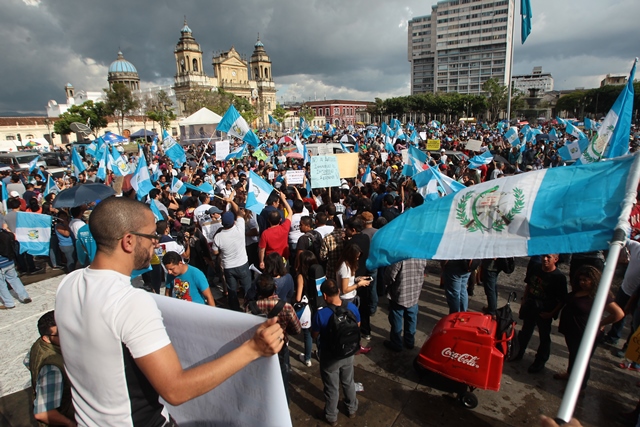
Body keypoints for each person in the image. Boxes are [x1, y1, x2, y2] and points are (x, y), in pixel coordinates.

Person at [55, 197, 283, 426]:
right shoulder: (130, 302)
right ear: (128, 241)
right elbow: (176, 390)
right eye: (152, 236)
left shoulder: (68, 283)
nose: (156, 244)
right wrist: (253, 348)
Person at [555, 265, 624, 389]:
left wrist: (601, 323)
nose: (582, 282)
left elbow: (619, 314)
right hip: (572, 330)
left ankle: (580, 387)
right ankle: (570, 374)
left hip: (586, 334)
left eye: (586, 280)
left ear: (594, 280)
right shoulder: (577, 290)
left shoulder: (600, 296)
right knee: (574, 354)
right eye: (581, 279)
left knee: (582, 361)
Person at [244, 275, 300, 403]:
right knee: (283, 379)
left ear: (257, 291)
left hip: (260, 349)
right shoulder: (286, 307)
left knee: (263, 380)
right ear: (275, 288)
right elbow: (297, 329)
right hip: (280, 346)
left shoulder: (250, 308)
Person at [312, 279, 360, 426]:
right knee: (348, 381)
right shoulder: (352, 308)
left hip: (330, 357)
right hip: (349, 353)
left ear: (325, 296)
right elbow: (358, 326)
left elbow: (315, 335)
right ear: (339, 292)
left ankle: (331, 416)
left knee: (332, 388)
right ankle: (351, 409)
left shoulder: (321, 315)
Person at [514, 254, 567, 374]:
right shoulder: (536, 267)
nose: (545, 259)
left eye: (548, 257)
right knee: (525, 331)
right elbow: (529, 284)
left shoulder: (559, 277)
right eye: (543, 256)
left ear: (556, 259)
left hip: (544, 311)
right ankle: (518, 352)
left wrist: (551, 313)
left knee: (544, 336)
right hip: (531, 306)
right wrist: (524, 300)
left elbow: (562, 300)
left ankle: (540, 361)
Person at [25, 311, 75, 426]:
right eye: (60, 334)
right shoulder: (53, 370)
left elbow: (27, 361)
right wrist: (71, 424)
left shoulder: (39, 345)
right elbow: (42, 413)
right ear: (46, 338)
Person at [212, 198, 252, 311]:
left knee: (232, 290)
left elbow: (214, 252)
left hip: (228, 267)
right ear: (233, 221)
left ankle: (235, 309)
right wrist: (231, 201)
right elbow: (239, 212)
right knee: (247, 288)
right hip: (242, 264)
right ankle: (249, 307)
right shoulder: (240, 228)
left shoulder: (218, 236)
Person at [383, 258, 428, 352]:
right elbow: (423, 272)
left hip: (399, 293)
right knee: (411, 318)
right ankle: (410, 341)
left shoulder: (400, 257)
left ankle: (396, 343)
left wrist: (386, 286)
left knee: (396, 319)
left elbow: (390, 275)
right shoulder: (421, 256)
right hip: (414, 293)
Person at [258, 191, 293, 268]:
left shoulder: (265, 233)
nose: (278, 204)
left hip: (270, 260)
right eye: (277, 202)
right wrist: (283, 199)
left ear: (269, 220)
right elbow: (290, 212)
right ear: (280, 219)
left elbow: (262, 249)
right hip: (283, 258)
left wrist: (261, 261)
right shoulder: (285, 228)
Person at [0, 228, 32, 309]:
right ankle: (25, 296)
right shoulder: (5, 233)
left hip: (1, 265)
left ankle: (9, 303)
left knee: (2, 284)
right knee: (14, 279)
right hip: (9, 261)